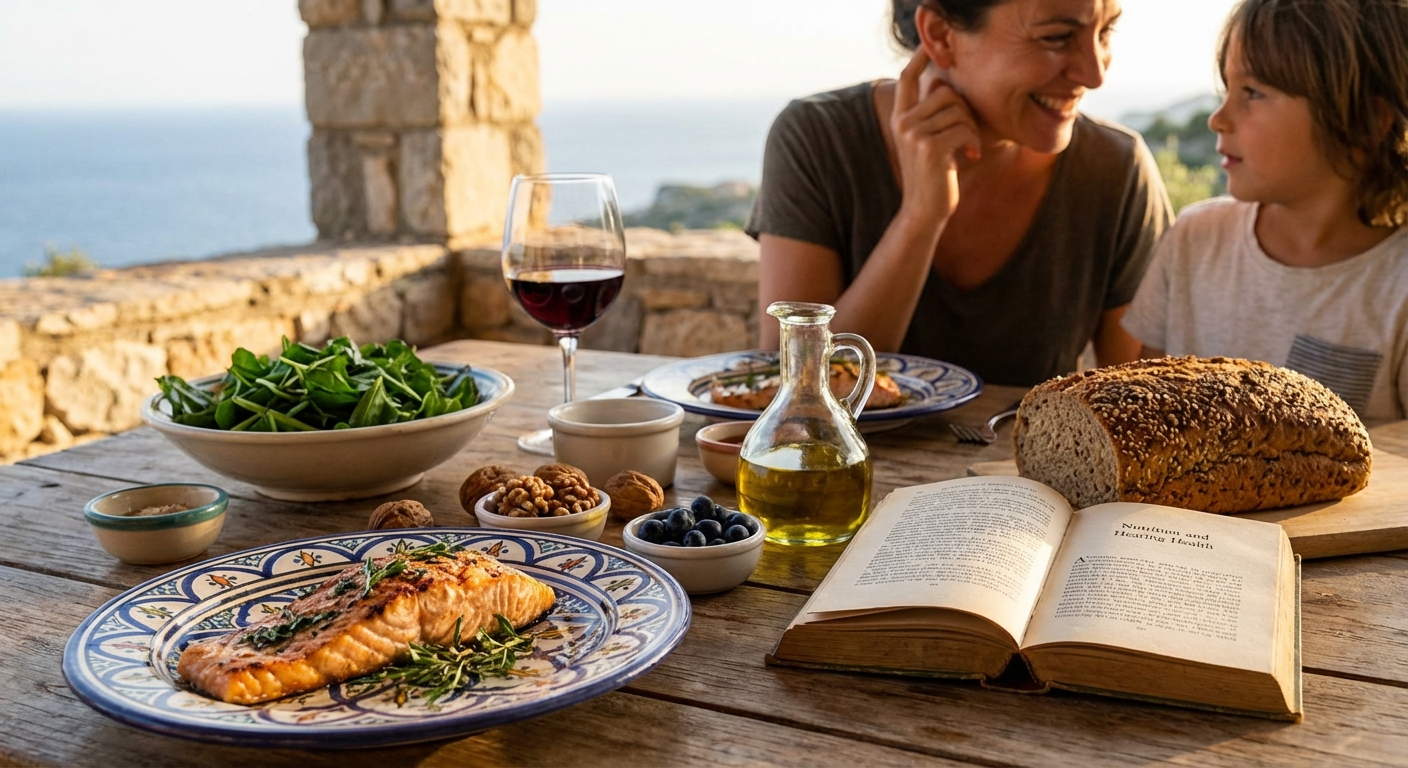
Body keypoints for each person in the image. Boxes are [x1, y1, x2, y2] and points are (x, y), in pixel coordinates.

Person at [746, 0, 1172, 386]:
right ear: (940, 35)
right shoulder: (818, 140)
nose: (1094, 73)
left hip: (1022, 475)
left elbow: (1142, 399)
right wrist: (920, 217)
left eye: (1105, 33)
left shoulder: (1114, 168)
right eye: (1057, 38)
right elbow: (795, 390)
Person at [1122, 0, 1408, 423]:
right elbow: (1144, 412)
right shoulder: (1195, 239)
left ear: (1366, 120)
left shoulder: (1397, 287)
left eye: (1253, 93)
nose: (1218, 119)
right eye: (1226, 91)